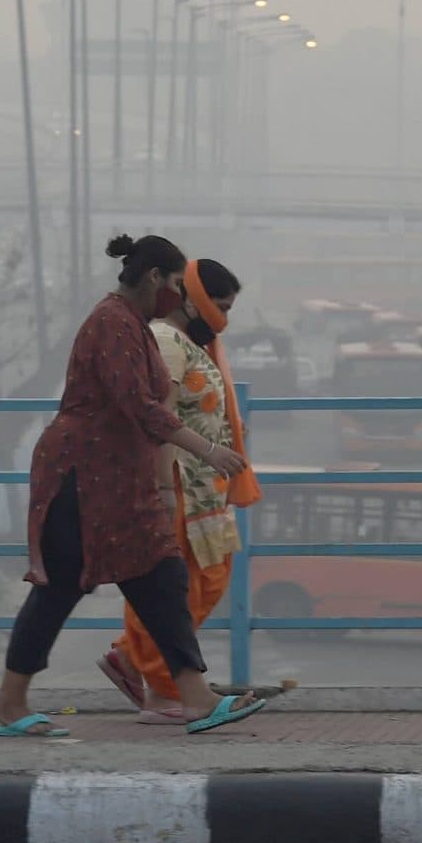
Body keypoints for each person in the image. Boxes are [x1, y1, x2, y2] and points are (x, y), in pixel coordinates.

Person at [0, 235, 268, 737]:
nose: (184, 299)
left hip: (117, 478)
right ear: (155, 278)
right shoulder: (111, 324)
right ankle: (10, 704)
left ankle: (194, 696)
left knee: (163, 578)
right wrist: (208, 450)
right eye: (179, 285)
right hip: (80, 476)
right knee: (60, 590)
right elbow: (141, 406)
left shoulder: (134, 326)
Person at [99, 257, 258, 721]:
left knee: (201, 583)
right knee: (179, 590)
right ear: (194, 299)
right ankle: (165, 691)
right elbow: (156, 416)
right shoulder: (167, 342)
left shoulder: (188, 342)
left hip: (204, 490)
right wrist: (163, 490)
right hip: (180, 487)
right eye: (219, 306)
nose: (223, 319)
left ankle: (133, 659)